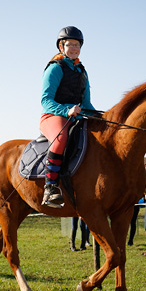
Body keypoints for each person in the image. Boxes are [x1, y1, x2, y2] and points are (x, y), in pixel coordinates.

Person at [40, 26, 96, 208]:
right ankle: (50, 187)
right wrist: (66, 111)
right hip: (52, 116)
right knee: (61, 137)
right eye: (70, 44)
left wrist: (101, 117)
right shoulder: (55, 68)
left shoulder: (83, 72)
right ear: (61, 46)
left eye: (77, 45)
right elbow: (46, 100)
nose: (74, 48)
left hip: (75, 118)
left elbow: (86, 105)